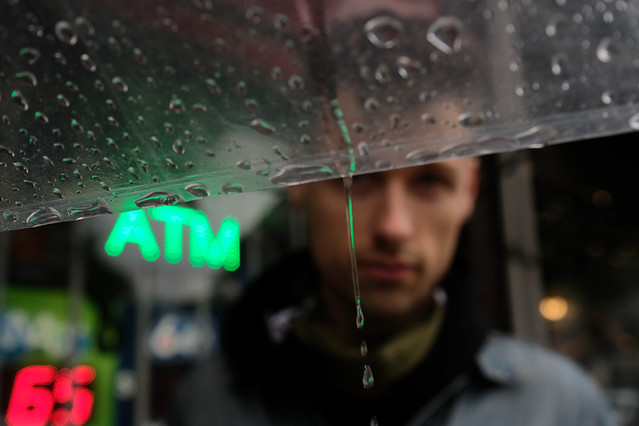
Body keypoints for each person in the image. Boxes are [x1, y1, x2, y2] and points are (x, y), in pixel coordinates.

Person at [169, 157, 614, 425]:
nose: (393, 227)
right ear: (298, 182)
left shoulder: (563, 408)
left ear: (470, 190)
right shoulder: (207, 405)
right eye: (356, 178)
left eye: (430, 180)